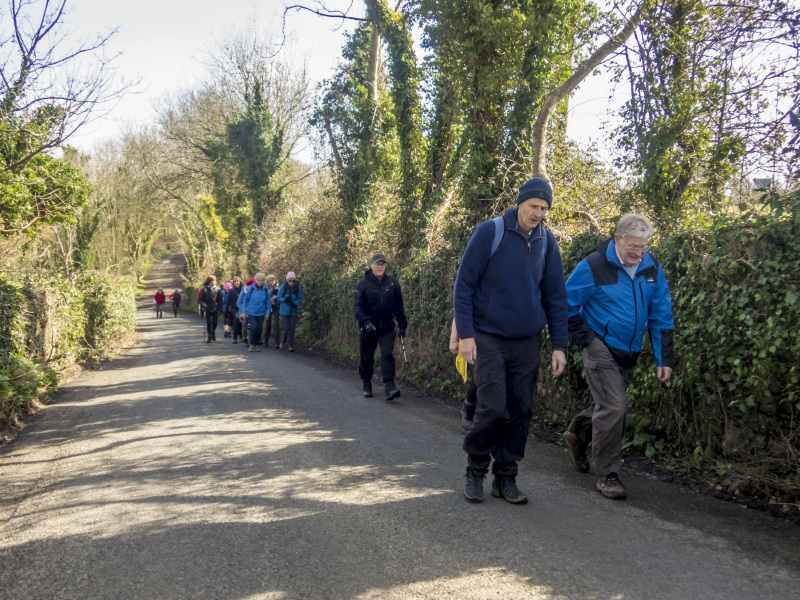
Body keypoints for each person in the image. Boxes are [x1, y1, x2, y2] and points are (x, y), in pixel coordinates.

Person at [453, 176, 568, 504]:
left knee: (520, 408)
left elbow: (555, 295)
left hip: (527, 340)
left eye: (544, 208)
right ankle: (476, 469)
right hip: (487, 336)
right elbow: (464, 285)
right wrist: (465, 335)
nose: (538, 213)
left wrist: (559, 345)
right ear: (520, 202)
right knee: (492, 406)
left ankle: (506, 476)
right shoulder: (491, 232)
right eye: (534, 206)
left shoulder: (547, 241)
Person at [562, 213, 674, 500]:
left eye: (644, 247)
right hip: (601, 345)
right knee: (615, 406)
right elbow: (566, 303)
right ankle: (607, 474)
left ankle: (578, 433)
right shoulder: (594, 265)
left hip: (631, 350)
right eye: (633, 247)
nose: (638, 253)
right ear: (617, 240)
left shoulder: (652, 266)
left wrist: (664, 358)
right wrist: (587, 339)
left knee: (610, 407)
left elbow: (661, 312)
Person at [353, 254, 407, 401]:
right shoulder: (362, 284)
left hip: (387, 326)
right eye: (377, 264)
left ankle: (390, 386)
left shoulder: (392, 283)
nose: (380, 267)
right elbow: (357, 308)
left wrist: (402, 324)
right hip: (368, 327)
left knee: (387, 354)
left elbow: (398, 306)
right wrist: (366, 322)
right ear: (371, 265)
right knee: (367, 357)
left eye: (382, 264)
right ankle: (366, 383)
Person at [449, 318, 477, 430]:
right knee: (478, 377)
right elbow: (458, 314)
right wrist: (453, 339)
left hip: (496, 341)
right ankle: (468, 407)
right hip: (472, 342)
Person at [240, 273, 271, 352]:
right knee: (254, 328)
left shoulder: (266, 289)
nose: (260, 282)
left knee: (259, 329)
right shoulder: (251, 288)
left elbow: (268, 302)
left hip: (261, 312)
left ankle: (256, 344)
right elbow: (245, 300)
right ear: (256, 280)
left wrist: (267, 313)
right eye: (258, 280)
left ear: (263, 281)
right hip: (252, 312)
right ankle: (252, 344)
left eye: (261, 280)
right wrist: (243, 311)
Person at [277, 271, 302, 352]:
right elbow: (278, 297)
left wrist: (295, 303)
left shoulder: (297, 288)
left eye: (293, 280)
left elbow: (299, 298)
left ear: (295, 280)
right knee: (286, 327)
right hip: (284, 311)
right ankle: (283, 341)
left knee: (292, 328)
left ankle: (290, 345)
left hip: (293, 311)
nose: (291, 282)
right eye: (289, 280)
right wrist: (285, 299)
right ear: (287, 280)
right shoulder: (283, 287)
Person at [198, 276, 219, 342]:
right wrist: (204, 305)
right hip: (207, 308)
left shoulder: (217, 289)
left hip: (215, 308)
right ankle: (209, 336)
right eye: (212, 280)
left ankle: (213, 331)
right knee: (209, 322)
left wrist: (220, 308)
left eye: (214, 280)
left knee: (215, 323)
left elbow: (220, 300)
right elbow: (200, 300)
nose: (214, 282)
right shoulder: (204, 289)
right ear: (209, 282)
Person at [262, 275, 281, 348]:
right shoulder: (266, 288)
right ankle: (265, 341)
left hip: (276, 307)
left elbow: (281, 297)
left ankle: (277, 342)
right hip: (268, 308)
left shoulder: (278, 288)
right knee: (267, 324)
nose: (271, 282)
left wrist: (276, 298)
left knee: (276, 324)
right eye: (270, 280)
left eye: (272, 280)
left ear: (275, 280)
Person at [225, 277, 244, 344]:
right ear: (233, 283)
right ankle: (235, 337)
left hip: (241, 308)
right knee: (236, 321)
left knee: (241, 322)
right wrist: (226, 311)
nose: (236, 282)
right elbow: (228, 301)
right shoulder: (232, 290)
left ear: (240, 282)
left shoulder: (243, 289)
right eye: (235, 281)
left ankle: (241, 335)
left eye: (238, 281)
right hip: (234, 309)